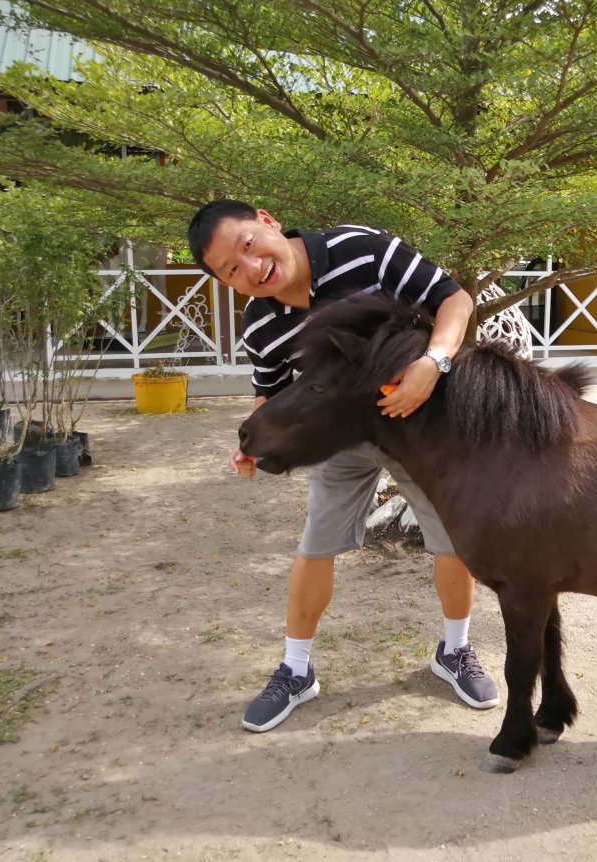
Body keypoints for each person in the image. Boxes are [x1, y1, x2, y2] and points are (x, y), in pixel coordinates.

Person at [188, 199, 500, 732]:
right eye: (231, 271)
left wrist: (434, 362)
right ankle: (295, 670)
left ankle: (455, 651)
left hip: (419, 422)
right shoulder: (261, 325)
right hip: (342, 443)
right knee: (316, 546)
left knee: (452, 541)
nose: (251, 268)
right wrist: (252, 444)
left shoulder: (361, 249)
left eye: (246, 246)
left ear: (266, 221)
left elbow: (455, 299)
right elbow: (271, 398)